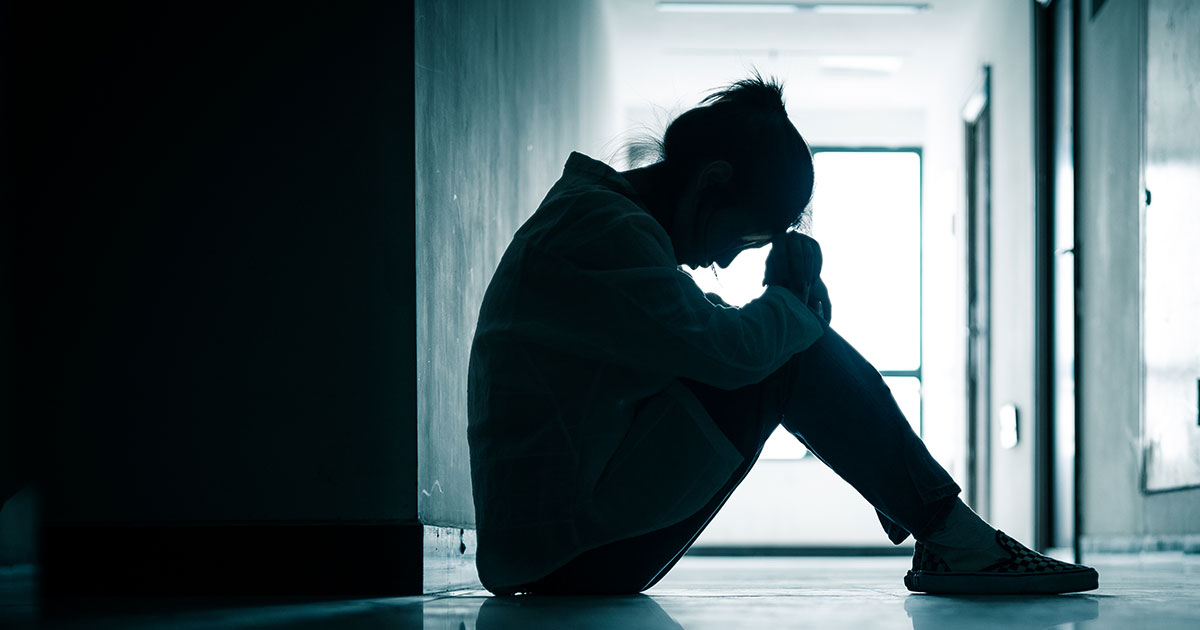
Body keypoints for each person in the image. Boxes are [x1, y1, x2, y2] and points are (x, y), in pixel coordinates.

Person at [466, 74, 1098, 597]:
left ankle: (939, 527)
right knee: (787, 358)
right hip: (566, 554)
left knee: (786, 345)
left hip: (558, 545)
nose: (726, 261)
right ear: (711, 183)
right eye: (744, 238)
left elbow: (687, 336)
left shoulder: (599, 222)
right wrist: (792, 308)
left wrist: (792, 317)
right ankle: (955, 539)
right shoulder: (602, 232)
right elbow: (728, 353)